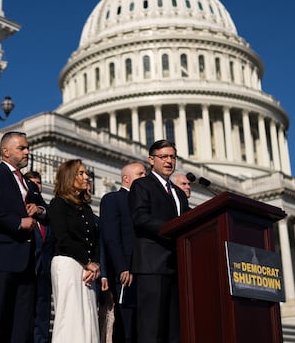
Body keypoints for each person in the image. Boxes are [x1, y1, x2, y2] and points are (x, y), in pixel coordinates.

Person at [0, 131, 47, 343]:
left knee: (22, 323)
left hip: (27, 262)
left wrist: (40, 209)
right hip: (0, 258)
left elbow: (47, 210)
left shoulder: (30, 184)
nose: (27, 151)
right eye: (22, 148)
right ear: (5, 152)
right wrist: (18, 222)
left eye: (27, 148)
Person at [128, 140, 190, 343]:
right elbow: (140, 218)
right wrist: (172, 229)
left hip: (177, 267)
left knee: (174, 332)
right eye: (164, 157)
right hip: (152, 266)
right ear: (151, 160)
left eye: (173, 157)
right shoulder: (142, 185)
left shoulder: (179, 194)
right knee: (151, 330)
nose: (169, 161)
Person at [48, 159, 100, 342]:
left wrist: (94, 264)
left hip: (87, 269)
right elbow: (62, 238)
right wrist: (87, 262)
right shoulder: (57, 204)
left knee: (88, 315)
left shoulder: (85, 208)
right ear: (70, 177)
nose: (87, 177)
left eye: (86, 173)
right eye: (81, 173)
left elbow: (94, 241)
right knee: (70, 315)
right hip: (67, 264)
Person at [99, 162, 146, 343]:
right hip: (125, 273)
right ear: (126, 178)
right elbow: (111, 237)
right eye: (140, 174)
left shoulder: (144, 202)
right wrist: (122, 267)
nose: (144, 177)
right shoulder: (113, 199)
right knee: (125, 326)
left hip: (144, 270)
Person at [24, 170, 53, 343]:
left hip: (44, 271)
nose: (36, 186)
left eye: (38, 182)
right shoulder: (20, 209)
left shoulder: (47, 212)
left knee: (43, 314)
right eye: (31, 182)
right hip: (26, 268)